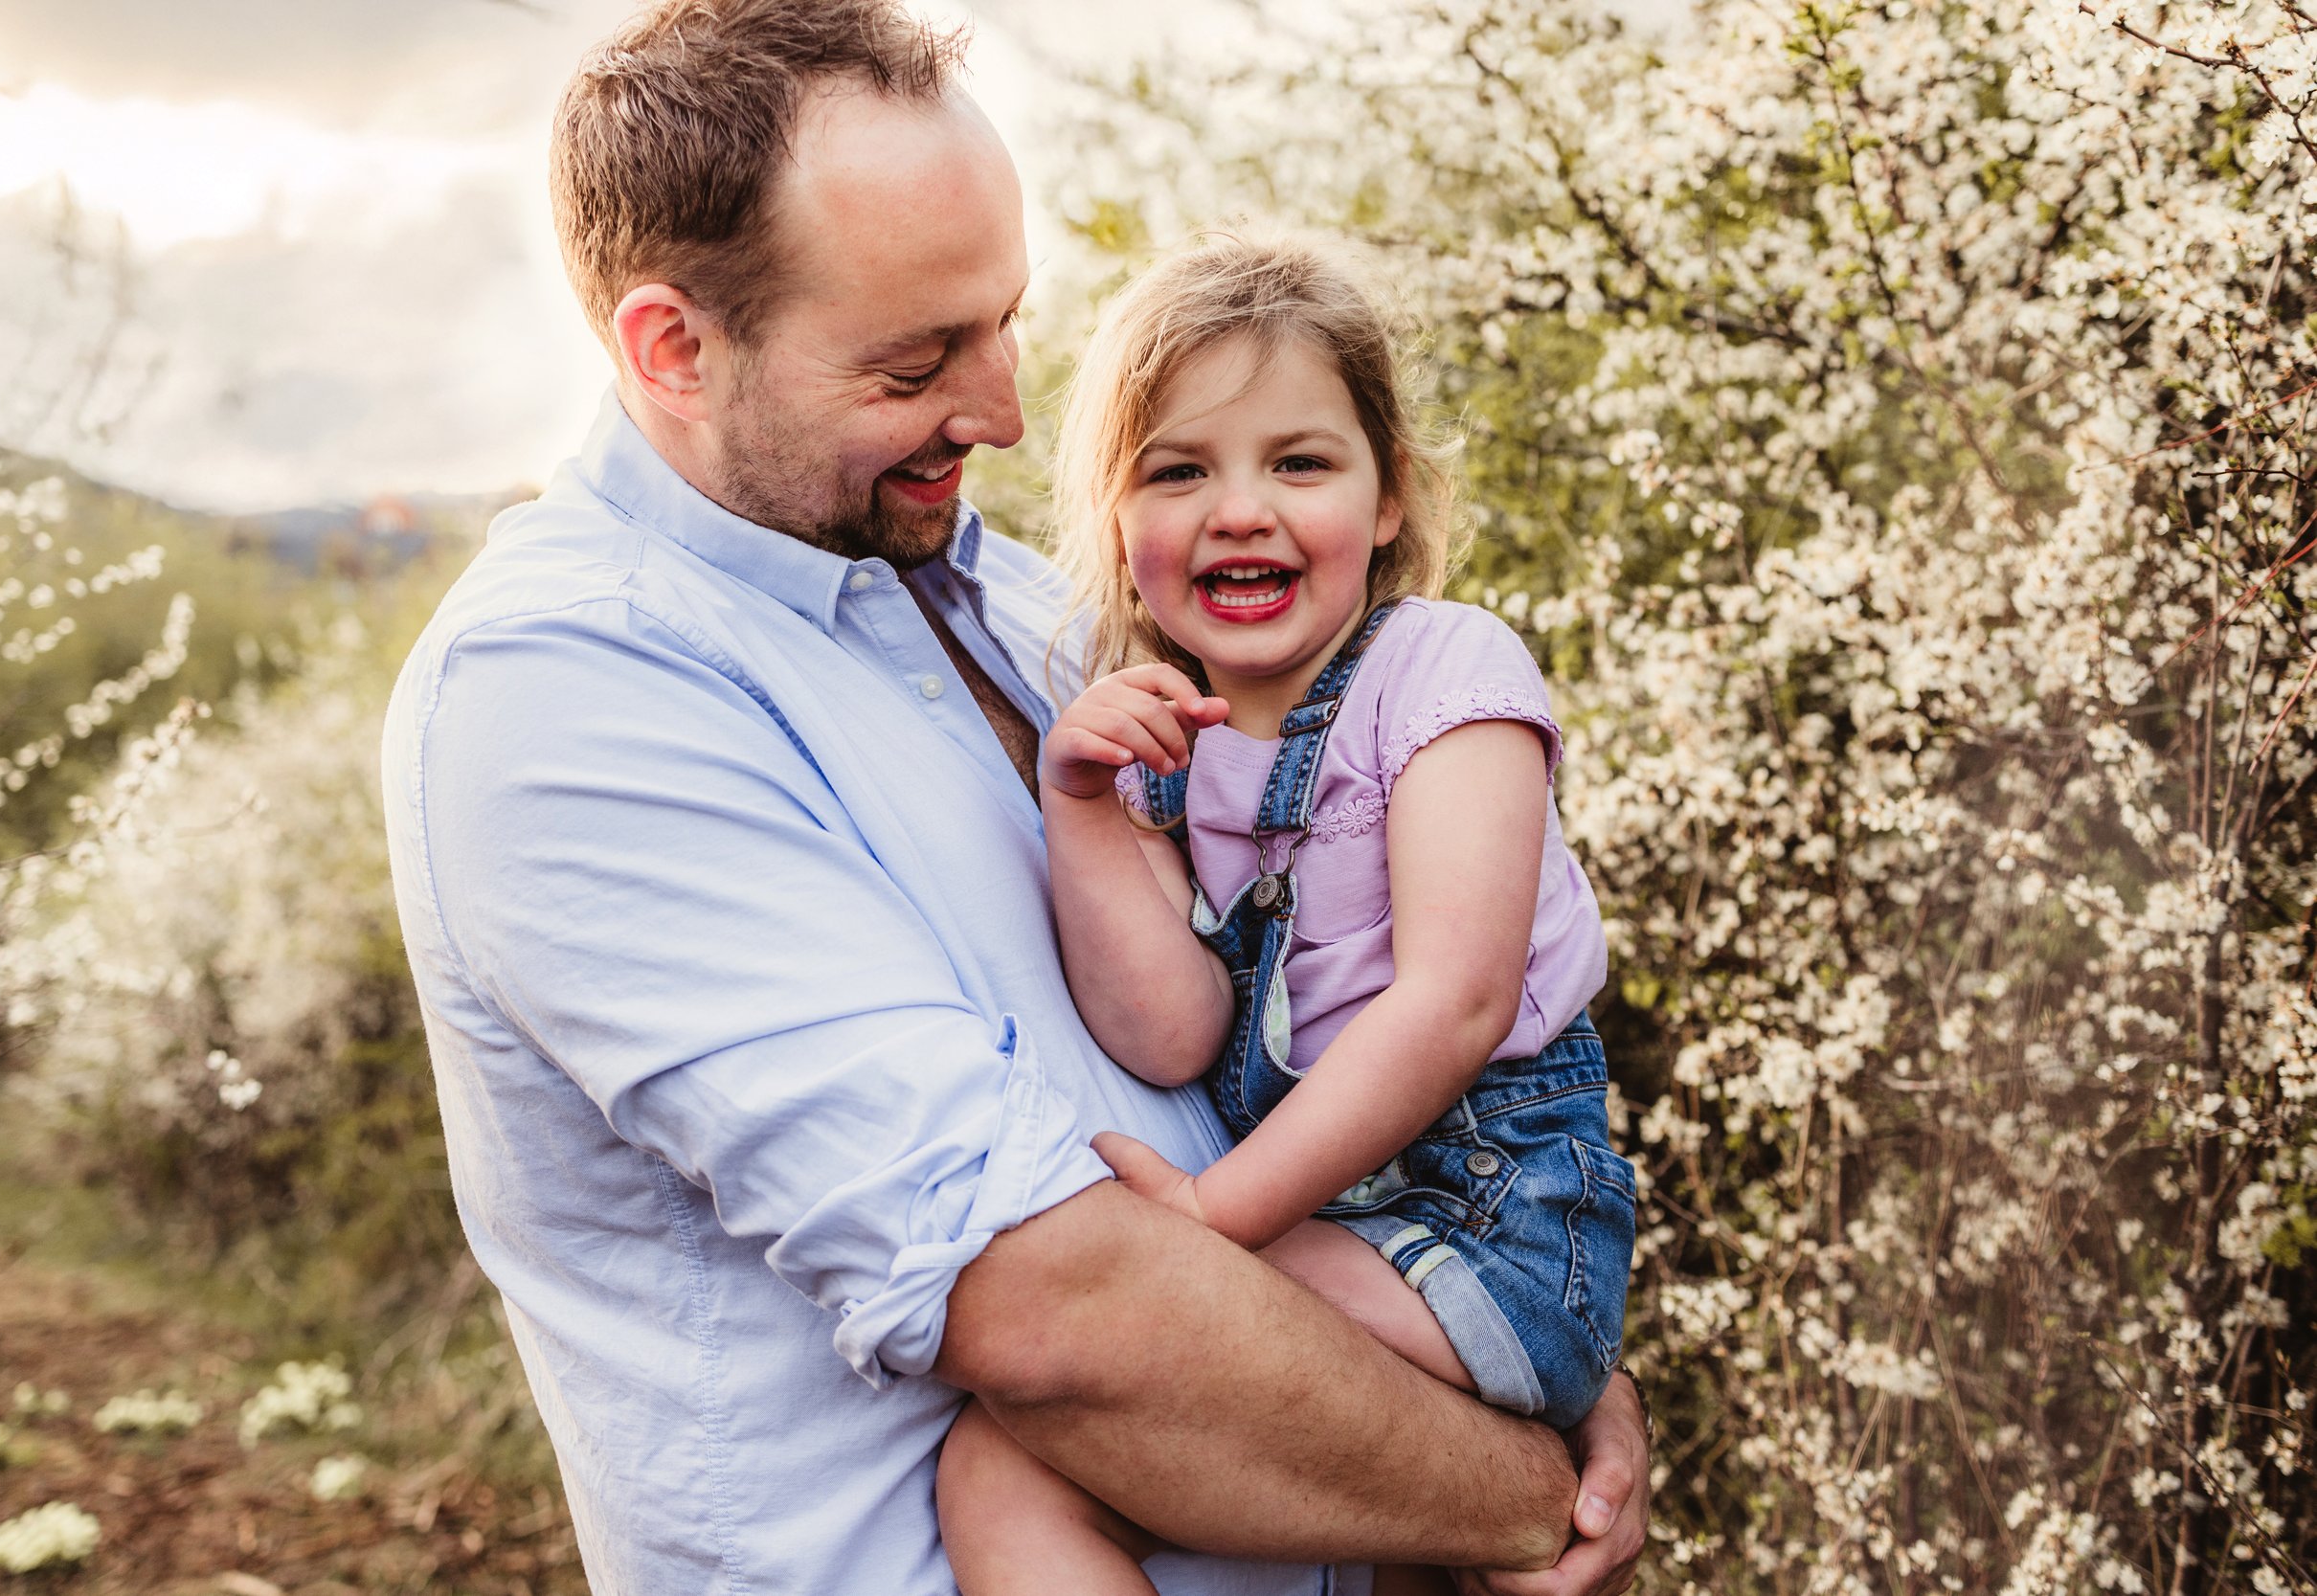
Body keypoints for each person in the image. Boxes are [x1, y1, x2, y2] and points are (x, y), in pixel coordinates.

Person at [377, 3, 1651, 1592]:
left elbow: (1241, 1038)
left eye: (1006, 323)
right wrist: (1519, 1493)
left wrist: (1519, 1329)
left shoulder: (1026, 608)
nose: (999, 412)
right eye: (917, 360)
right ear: (672, 349)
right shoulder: (566, 696)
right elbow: (1056, 1308)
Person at [934, 237, 1634, 1596]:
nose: (1239, 510)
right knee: (1000, 1473)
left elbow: (1456, 1002)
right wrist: (1077, 803)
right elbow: (1172, 1028)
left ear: (1388, 500)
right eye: (1179, 470)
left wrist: (1202, 1223)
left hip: (1490, 1216)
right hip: (1345, 1228)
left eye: (1299, 464)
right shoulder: (1168, 746)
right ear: (1117, 519)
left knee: (1040, 1427)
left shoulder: (1445, 674)